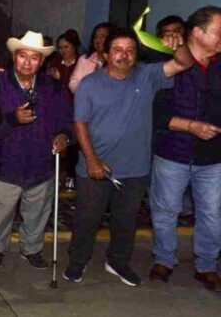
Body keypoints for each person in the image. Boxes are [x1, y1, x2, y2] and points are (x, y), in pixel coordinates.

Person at [64, 27, 192, 287]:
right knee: (87, 219)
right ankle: (78, 261)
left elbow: (184, 62)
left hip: (135, 169)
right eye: (118, 50)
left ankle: (118, 262)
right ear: (105, 54)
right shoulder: (90, 83)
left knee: (126, 221)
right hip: (95, 167)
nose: (124, 55)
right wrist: (91, 160)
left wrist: (175, 45)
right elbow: (80, 124)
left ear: (137, 54)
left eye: (130, 50)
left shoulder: (148, 76)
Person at [0, 31, 71, 269]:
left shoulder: (53, 88)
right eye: (23, 56)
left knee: (37, 213)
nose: (27, 62)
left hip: (41, 164)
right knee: (0, 214)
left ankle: (31, 248)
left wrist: (64, 135)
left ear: (42, 62)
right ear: (14, 57)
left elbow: (66, 119)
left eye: (34, 57)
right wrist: (12, 119)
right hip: (5, 164)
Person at [149, 6, 221, 290]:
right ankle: (164, 259)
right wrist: (191, 126)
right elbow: (154, 112)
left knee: (212, 213)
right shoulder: (167, 61)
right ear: (197, 32)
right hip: (172, 152)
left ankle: (206, 264)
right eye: (218, 32)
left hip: (213, 156)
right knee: (165, 210)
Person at [47, 31, 81, 190]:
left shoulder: (81, 63)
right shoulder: (55, 64)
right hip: (58, 109)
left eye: (66, 47)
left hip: (77, 108)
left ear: (74, 47)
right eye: (60, 47)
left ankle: (71, 176)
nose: (63, 51)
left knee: (74, 142)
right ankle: (56, 176)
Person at [69, 23, 112, 93]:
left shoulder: (115, 61)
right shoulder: (84, 59)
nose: (98, 40)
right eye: (96, 37)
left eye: (103, 36)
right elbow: (73, 84)